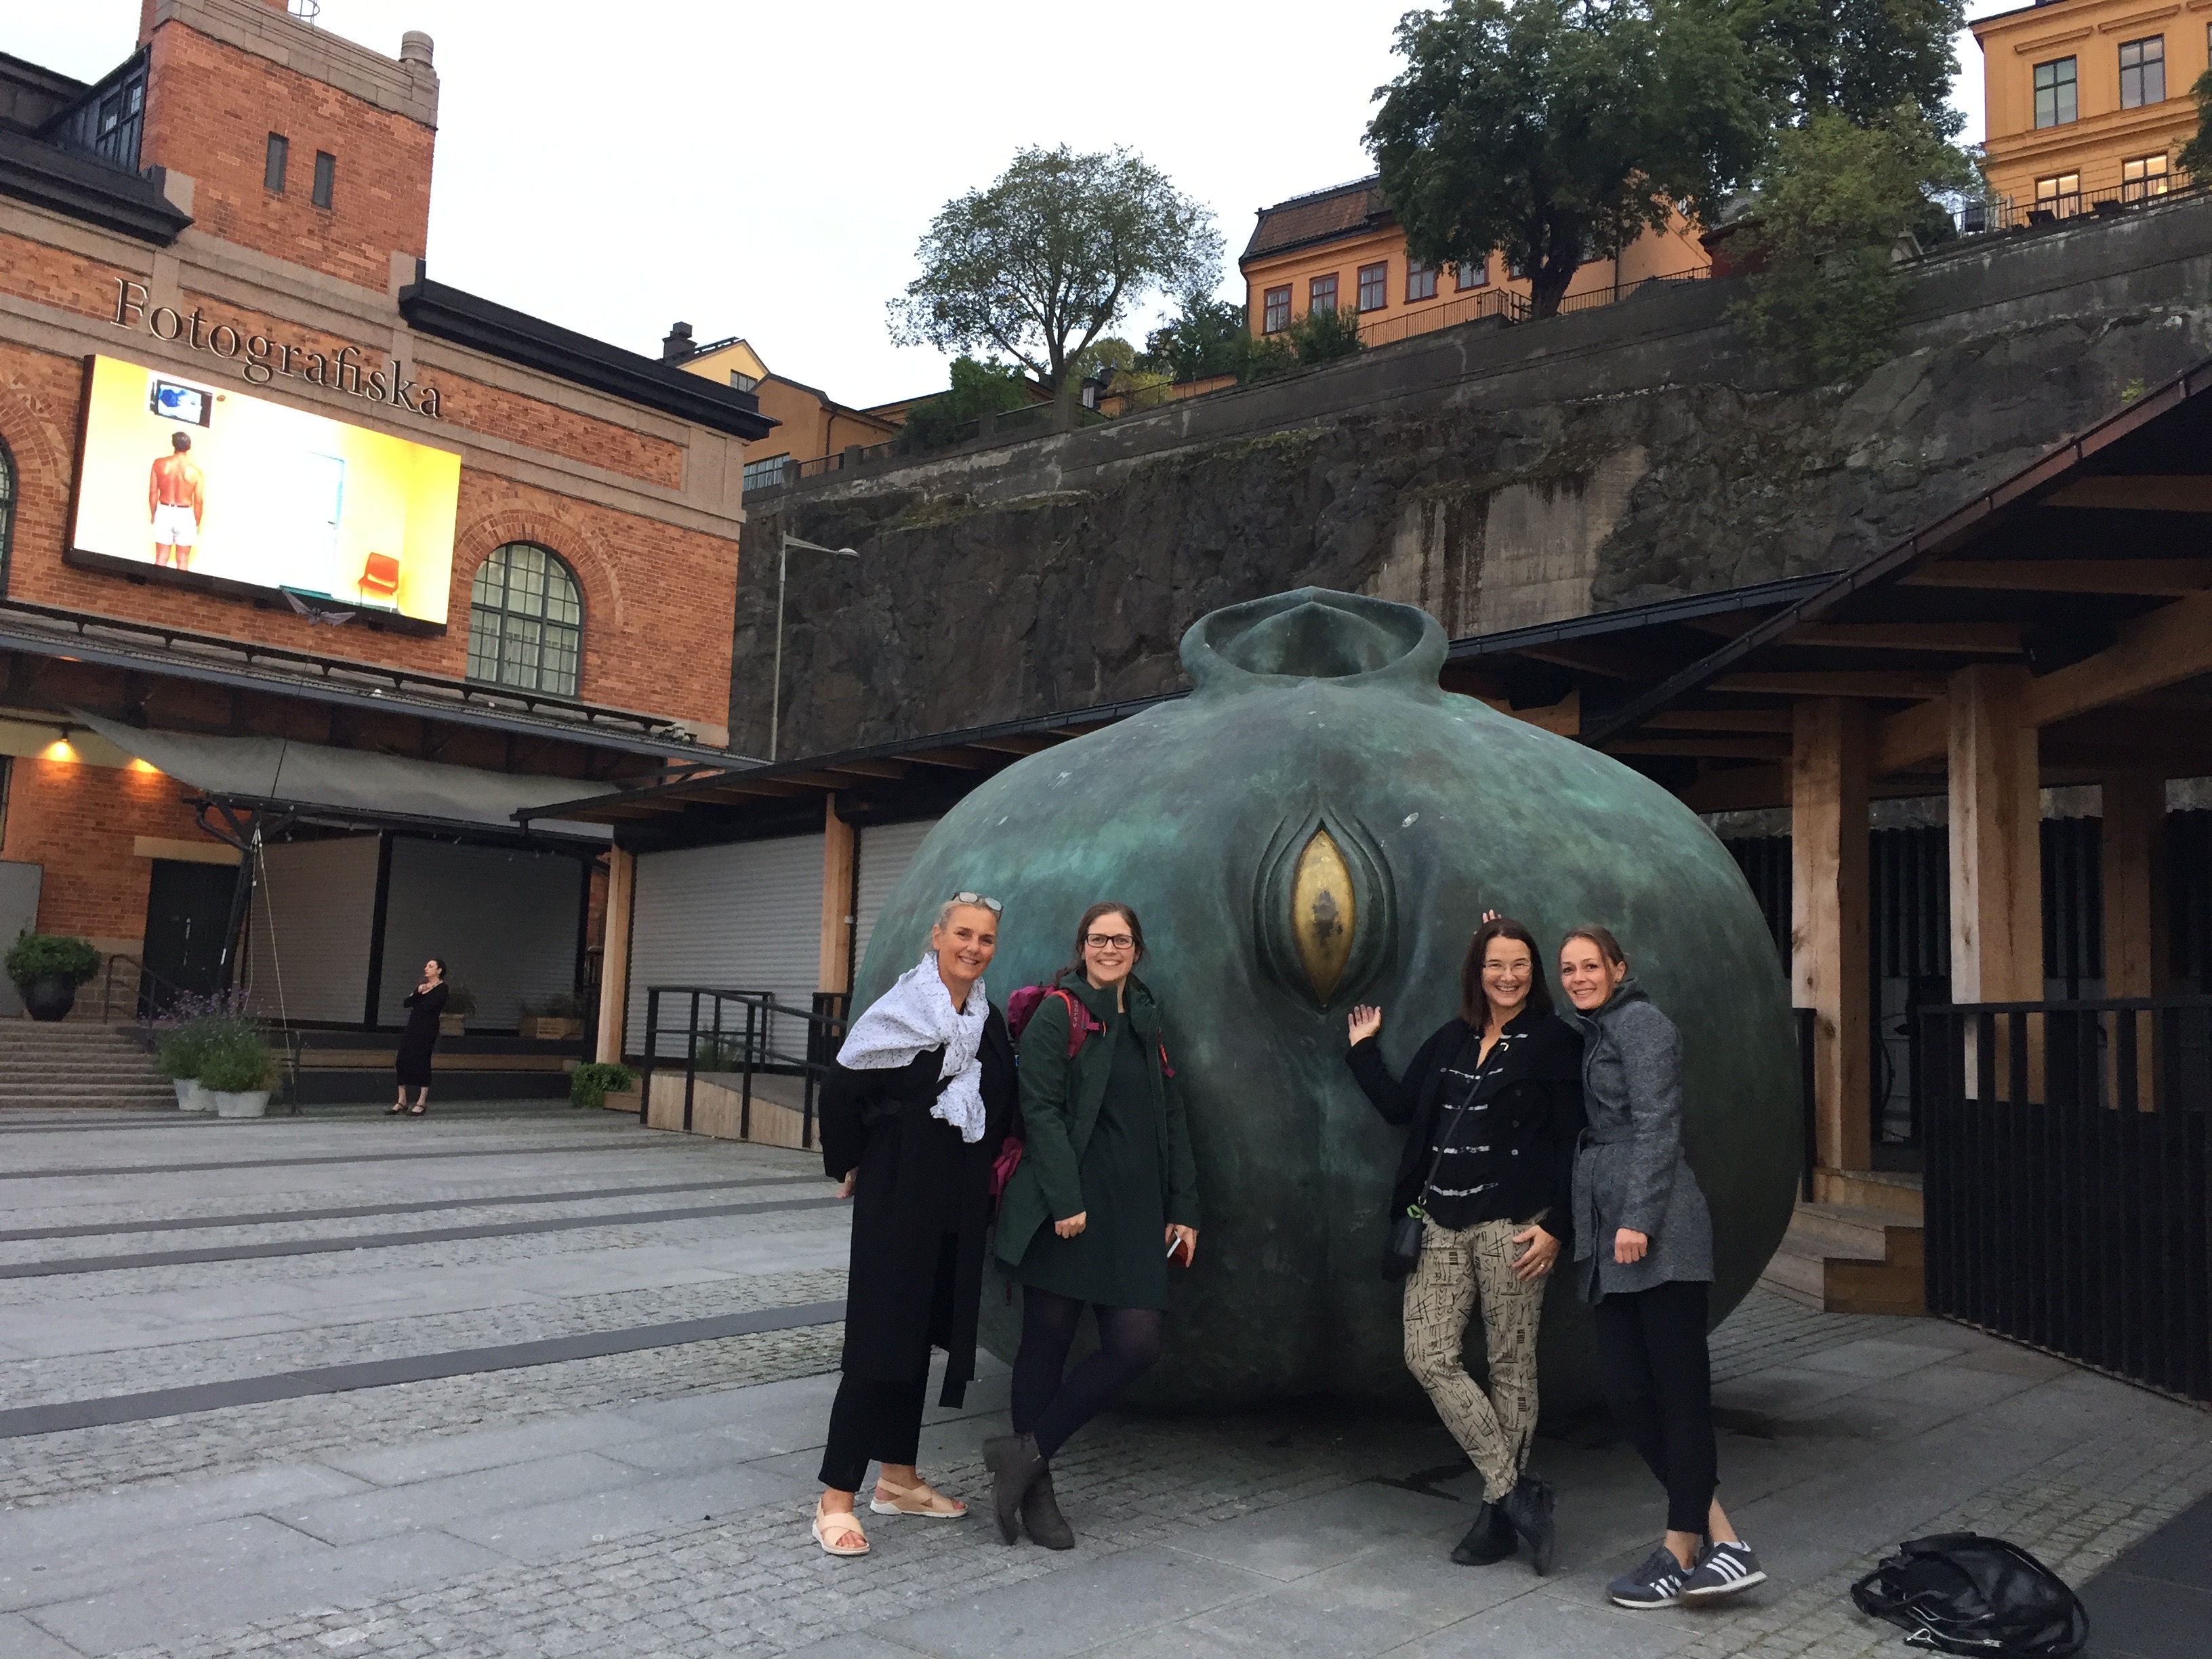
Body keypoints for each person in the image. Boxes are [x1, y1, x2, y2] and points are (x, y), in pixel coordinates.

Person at [1346, 914, 1584, 1574]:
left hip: (1516, 1226)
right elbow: (1402, 1106)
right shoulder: (1453, 1038)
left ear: (1534, 974)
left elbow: (1576, 1142)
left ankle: (1495, 1515)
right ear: (1476, 973)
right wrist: (1362, 1051)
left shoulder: (1554, 1043)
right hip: (1440, 1223)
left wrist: (1559, 1226)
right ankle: (1516, 1492)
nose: (1507, 976)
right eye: (1494, 964)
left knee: (1512, 1363)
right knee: (1427, 1355)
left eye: (1519, 965)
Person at [1559, 925, 1765, 1609]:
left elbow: (1659, 1124)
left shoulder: (1642, 1024)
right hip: (1613, 1235)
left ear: (1619, 968)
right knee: (1628, 1393)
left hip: (1659, 1234)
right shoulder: (1597, 1029)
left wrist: (1639, 1220)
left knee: (1678, 1394)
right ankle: (1724, 1541)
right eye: (1568, 969)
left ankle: (1680, 1548)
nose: (1579, 978)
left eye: (1591, 966)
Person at [985, 901, 1198, 1550]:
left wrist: (1184, 1207)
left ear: (1138, 948)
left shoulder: (1147, 1017)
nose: (1110, 949)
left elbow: (1172, 1115)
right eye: (1099, 939)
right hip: (1068, 1211)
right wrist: (1065, 1198)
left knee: (1136, 1346)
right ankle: (1038, 1497)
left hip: (1133, 1213)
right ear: (1081, 946)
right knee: (1045, 1346)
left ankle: (1024, 1455)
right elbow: (1041, 1109)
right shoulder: (1060, 1012)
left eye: (1121, 940)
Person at [811, 895, 1017, 1558]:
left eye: (986, 938)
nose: (974, 948)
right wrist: (850, 1160)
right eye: (964, 934)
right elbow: (840, 1090)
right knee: (879, 1338)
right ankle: (835, 1498)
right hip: (898, 1194)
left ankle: (898, 1478)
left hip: (954, 1200)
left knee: (920, 1333)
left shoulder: (984, 1017)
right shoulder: (902, 1010)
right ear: (938, 936)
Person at [391, 958, 446, 1116]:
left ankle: (421, 1102)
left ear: (439, 970)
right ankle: (402, 1100)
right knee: (402, 1060)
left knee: (422, 1060)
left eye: (431, 966)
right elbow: (406, 1003)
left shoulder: (442, 988)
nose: (426, 968)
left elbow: (428, 1006)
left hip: (427, 1029)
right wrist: (418, 992)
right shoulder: (422, 986)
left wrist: (418, 998)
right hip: (413, 1027)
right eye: (427, 966)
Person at [148, 432, 205, 571]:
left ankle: (156, 585)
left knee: (161, 558)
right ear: (189, 447)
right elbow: (198, 501)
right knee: (183, 561)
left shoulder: (159, 464)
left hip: (164, 510)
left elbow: (153, 492)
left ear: (173, 444)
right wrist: (197, 523)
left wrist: (154, 514)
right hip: (185, 515)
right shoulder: (196, 472)